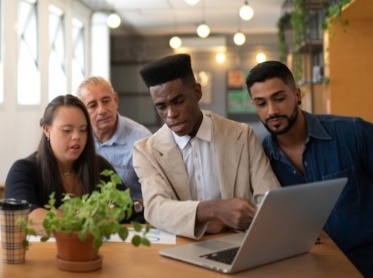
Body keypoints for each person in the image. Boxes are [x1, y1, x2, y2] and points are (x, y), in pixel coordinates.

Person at [245, 60, 373, 277]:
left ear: (296, 94)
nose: (272, 111)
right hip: (310, 267)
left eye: (279, 98)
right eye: (261, 103)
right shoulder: (260, 158)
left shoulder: (353, 133)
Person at [133, 53, 280, 239]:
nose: (171, 113)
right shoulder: (146, 151)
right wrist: (215, 209)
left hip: (236, 245)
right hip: (178, 251)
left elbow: (271, 200)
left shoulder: (242, 136)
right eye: (161, 106)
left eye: (178, 101)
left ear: (197, 92)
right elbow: (155, 209)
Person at [5, 94, 133, 234]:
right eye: (67, 130)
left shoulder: (99, 166)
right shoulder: (23, 170)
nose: (77, 136)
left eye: (83, 130)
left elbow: (126, 207)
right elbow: (22, 216)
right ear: (47, 130)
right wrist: (88, 216)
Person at [76, 76, 152, 216]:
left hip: (132, 220)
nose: (102, 110)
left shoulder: (141, 139)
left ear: (115, 100)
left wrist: (132, 208)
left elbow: (157, 192)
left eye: (106, 101)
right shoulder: (77, 139)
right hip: (88, 220)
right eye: (92, 105)